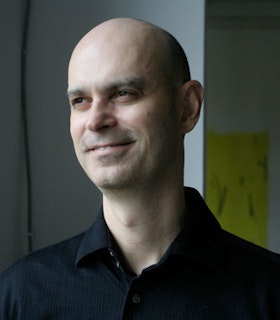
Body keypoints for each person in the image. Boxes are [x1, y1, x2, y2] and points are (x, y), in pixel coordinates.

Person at [0, 17, 279, 319]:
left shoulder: (271, 293)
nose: (95, 121)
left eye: (123, 93)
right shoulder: (20, 293)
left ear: (187, 107)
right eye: (80, 100)